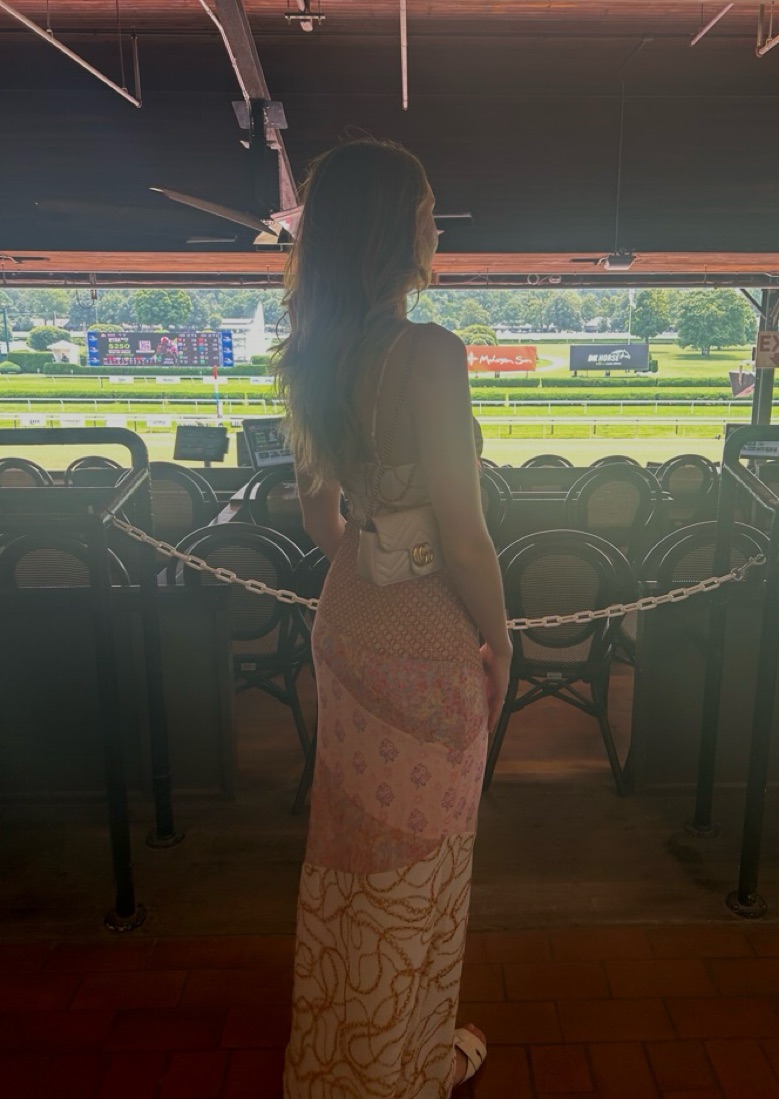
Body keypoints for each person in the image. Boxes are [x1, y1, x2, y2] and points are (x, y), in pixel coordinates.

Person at [277, 138, 512, 1098]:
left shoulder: (314, 349)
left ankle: (336, 1062)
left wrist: (370, 562)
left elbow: (317, 516)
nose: (435, 226)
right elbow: (465, 534)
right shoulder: (429, 353)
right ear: (396, 229)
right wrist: (501, 638)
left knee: (352, 863)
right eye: (426, 209)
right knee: (423, 871)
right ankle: (406, 1066)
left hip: (346, 627)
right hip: (430, 643)